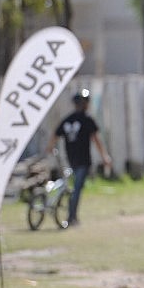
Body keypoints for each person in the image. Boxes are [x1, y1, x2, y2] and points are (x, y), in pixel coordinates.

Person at [46, 89, 112, 227]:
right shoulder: (87, 120)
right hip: (83, 161)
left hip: (70, 159)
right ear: (85, 104)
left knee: (73, 188)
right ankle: (71, 217)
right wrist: (105, 157)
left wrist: (51, 147)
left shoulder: (68, 119)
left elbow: (55, 135)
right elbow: (96, 140)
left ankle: (71, 216)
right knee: (76, 189)